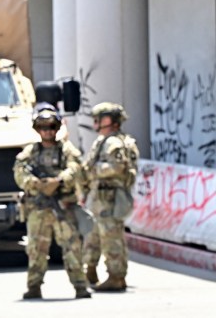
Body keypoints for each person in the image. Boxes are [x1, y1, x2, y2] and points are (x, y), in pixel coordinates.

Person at [13, 103, 91, 300]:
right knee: (36, 249)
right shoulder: (31, 152)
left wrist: (59, 181)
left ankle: (80, 286)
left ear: (57, 128)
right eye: (42, 127)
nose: (47, 132)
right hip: (38, 208)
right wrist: (38, 184)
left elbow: (76, 168)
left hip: (62, 206)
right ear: (37, 130)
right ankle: (34, 286)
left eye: (51, 127)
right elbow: (19, 172)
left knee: (72, 247)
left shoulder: (66, 150)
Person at [83, 102, 139, 292]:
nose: (96, 122)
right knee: (94, 236)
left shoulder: (114, 143)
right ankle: (90, 270)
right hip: (99, 197)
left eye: (101, 118)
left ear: (111, 121)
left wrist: (94, 169)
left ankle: (116, 276)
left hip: (110, 197)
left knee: (111, 237)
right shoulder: (103, 141)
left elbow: (117, 167)